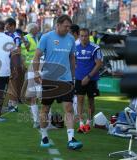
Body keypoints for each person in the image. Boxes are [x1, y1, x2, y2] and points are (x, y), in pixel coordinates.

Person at [33, 15, 83, 150]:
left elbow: (72, 58)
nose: (68, 29)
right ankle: (44, 137)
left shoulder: (71, 39)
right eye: (66, 26)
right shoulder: (46, 37)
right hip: (49, 79)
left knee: (68, 108)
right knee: (45, 109)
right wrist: (36, 72)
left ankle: (71, 139)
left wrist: (73, 77)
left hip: (66, 80)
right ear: (58, 25)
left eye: (69, 27)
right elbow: (37, 55)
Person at [75, 28, 103, 133]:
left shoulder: (95, 48)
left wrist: (89, 77)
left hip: (91, 79)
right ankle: (81, 123)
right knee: (80, 100)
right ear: (79, 36)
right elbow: (73, 61)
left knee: (91, 101)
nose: (83, 38)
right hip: (79, 79)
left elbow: (99, 64)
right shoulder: (75, 48)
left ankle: (88, 122)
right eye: (81, 36)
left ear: (89, 35)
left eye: (85, 36)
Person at [21, 23, 41, 128]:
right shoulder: (26, 38)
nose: (38, 29)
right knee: (33, 94)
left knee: (38, 94)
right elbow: (23, 54)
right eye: (37, 28)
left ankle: (39, 119)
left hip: (38, 67)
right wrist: (25, 65)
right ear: (32, 29)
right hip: (31, 67)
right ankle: (36, 120)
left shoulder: (36, 38)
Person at [5, 17, 25, 112]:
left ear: (13, 26)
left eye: (8, 26)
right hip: (8, 63)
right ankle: (11, 104)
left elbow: (17, 52)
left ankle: (14, 105)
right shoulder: (8, 35)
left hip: (12, 64)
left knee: (12, 84)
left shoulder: (16, 37)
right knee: (10, 84)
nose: (6, 27)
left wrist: (15, 66)